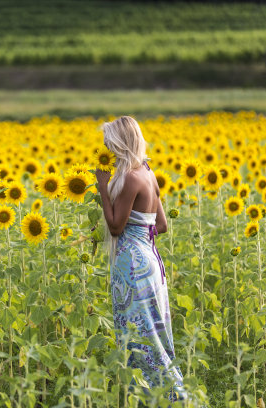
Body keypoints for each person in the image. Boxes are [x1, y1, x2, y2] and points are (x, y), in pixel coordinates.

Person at [95, 116, 189, 405]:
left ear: (120, 143)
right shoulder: (148, 173)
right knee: (155, 332)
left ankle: (166, 399)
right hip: (150, 260)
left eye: (109, 143)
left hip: (132, 264)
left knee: (137, 336)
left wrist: (102, 187)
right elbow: (160, 226)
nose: (106, 150)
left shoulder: (132, 178)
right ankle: (169, 395)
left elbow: (115, 227)